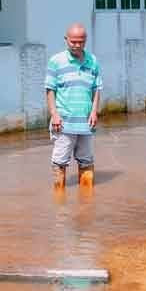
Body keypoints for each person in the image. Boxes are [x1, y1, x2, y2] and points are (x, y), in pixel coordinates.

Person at [45, 23, 102, 190]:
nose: (77, 45)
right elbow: (50, 90)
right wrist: (54, 114)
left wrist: (94, 112)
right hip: (64, 122)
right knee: (59, 162)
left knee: (86, 160)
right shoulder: (56, 61)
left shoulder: (93, 61)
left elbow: (96, 88)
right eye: (73, 42)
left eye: (81, 42)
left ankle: (86, 204)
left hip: (85, 122)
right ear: (66, 40)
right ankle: (59, 201)